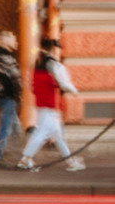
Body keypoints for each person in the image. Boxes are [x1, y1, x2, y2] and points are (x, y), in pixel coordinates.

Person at [20, 36, 86, 174]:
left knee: (57, 135)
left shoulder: (37, 63)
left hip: (41, 103)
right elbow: (64, 82)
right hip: (51, 104)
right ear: (53, 49)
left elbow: (29, 84)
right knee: (42, 133)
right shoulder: (54, 64)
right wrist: (74, 91)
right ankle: (25, 158)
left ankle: (70, 161)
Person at [0, 28, 24, 167]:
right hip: (7, 97)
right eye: (12, 37)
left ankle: (18, 154)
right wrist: (18, 94)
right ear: (4, 40)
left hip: (5, 97)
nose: (16, 40)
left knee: (14, 127)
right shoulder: (4, 57)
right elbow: (14, 78)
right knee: (6, 127)